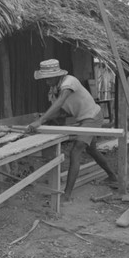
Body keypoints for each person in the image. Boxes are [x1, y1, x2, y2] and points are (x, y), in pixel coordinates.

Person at [26, 59, 118, 202]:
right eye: (44, 78)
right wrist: (45, 118)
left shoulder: (69, 82)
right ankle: (113, 177)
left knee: (75, 151)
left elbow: (60, 102)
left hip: (92, 117)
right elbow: (61, 111)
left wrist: (41, 120)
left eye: (48, 78)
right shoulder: (54, 89)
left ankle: (67, 195)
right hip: (83, 119)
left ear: (57, 75)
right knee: (91, 150)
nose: (46, 81)